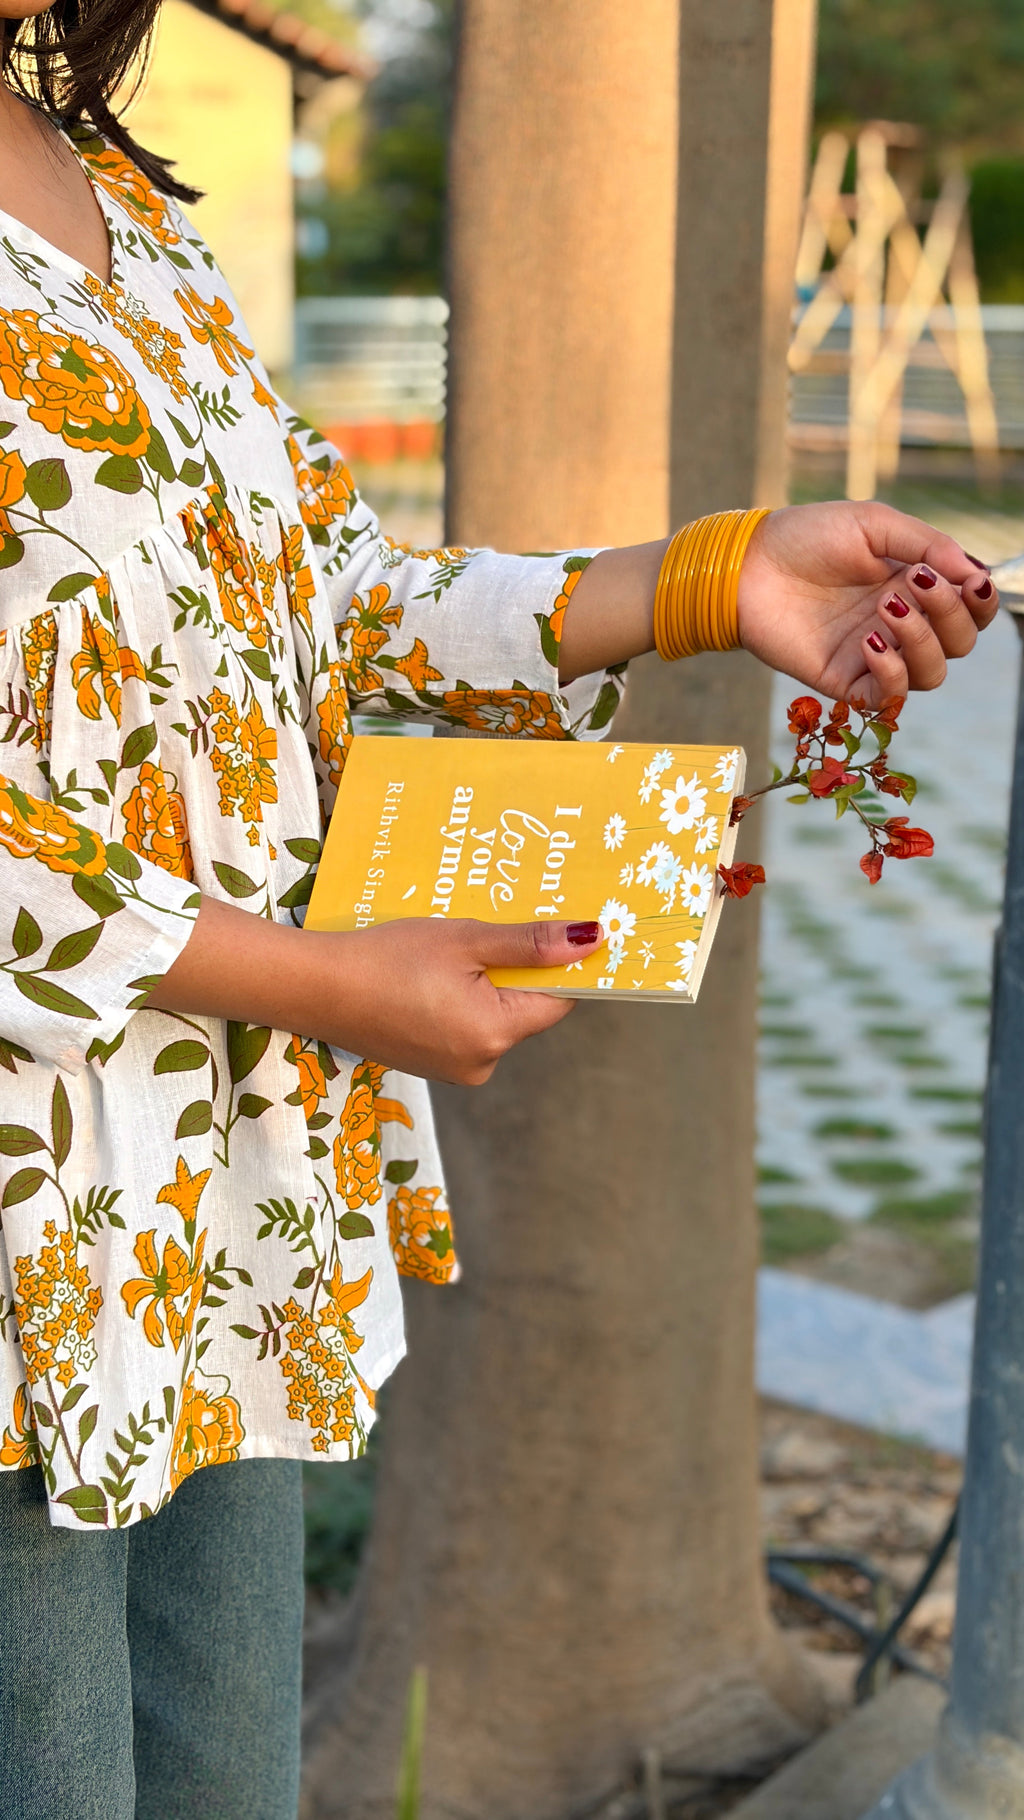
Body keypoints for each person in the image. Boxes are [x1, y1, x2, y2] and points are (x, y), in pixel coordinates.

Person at [0, 0, 999, 1814]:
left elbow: (322, 600)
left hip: (208, 1216)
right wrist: (308, 973)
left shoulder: (106, 188)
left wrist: (712, 579)